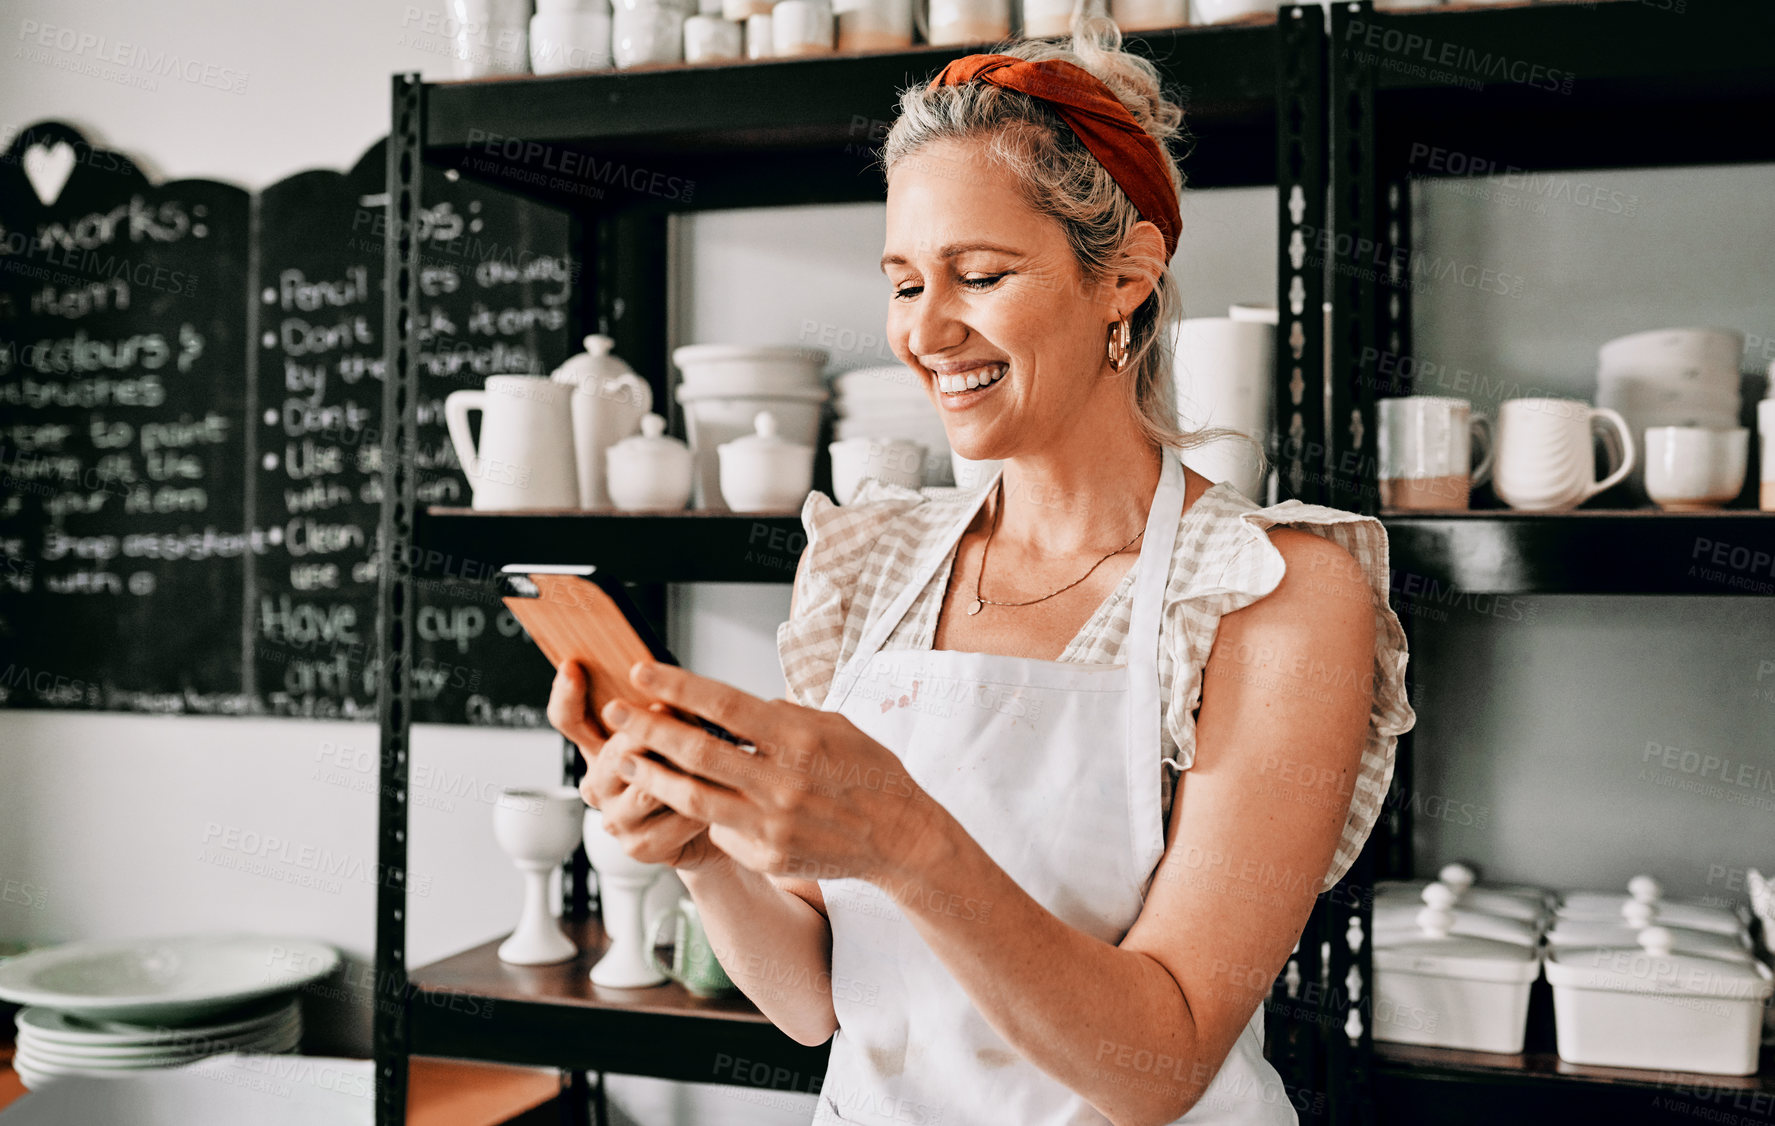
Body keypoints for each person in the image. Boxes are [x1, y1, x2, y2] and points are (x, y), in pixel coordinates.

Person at [548, 13, 1415, 1124]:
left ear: (1126, 279)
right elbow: (814, 999)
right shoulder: (869, 559)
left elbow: (1162, 1061)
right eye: (905, 283)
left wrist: (907, 841)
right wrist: (700, 848)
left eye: (980, 274)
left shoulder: (1271, 592)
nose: (925, 331)